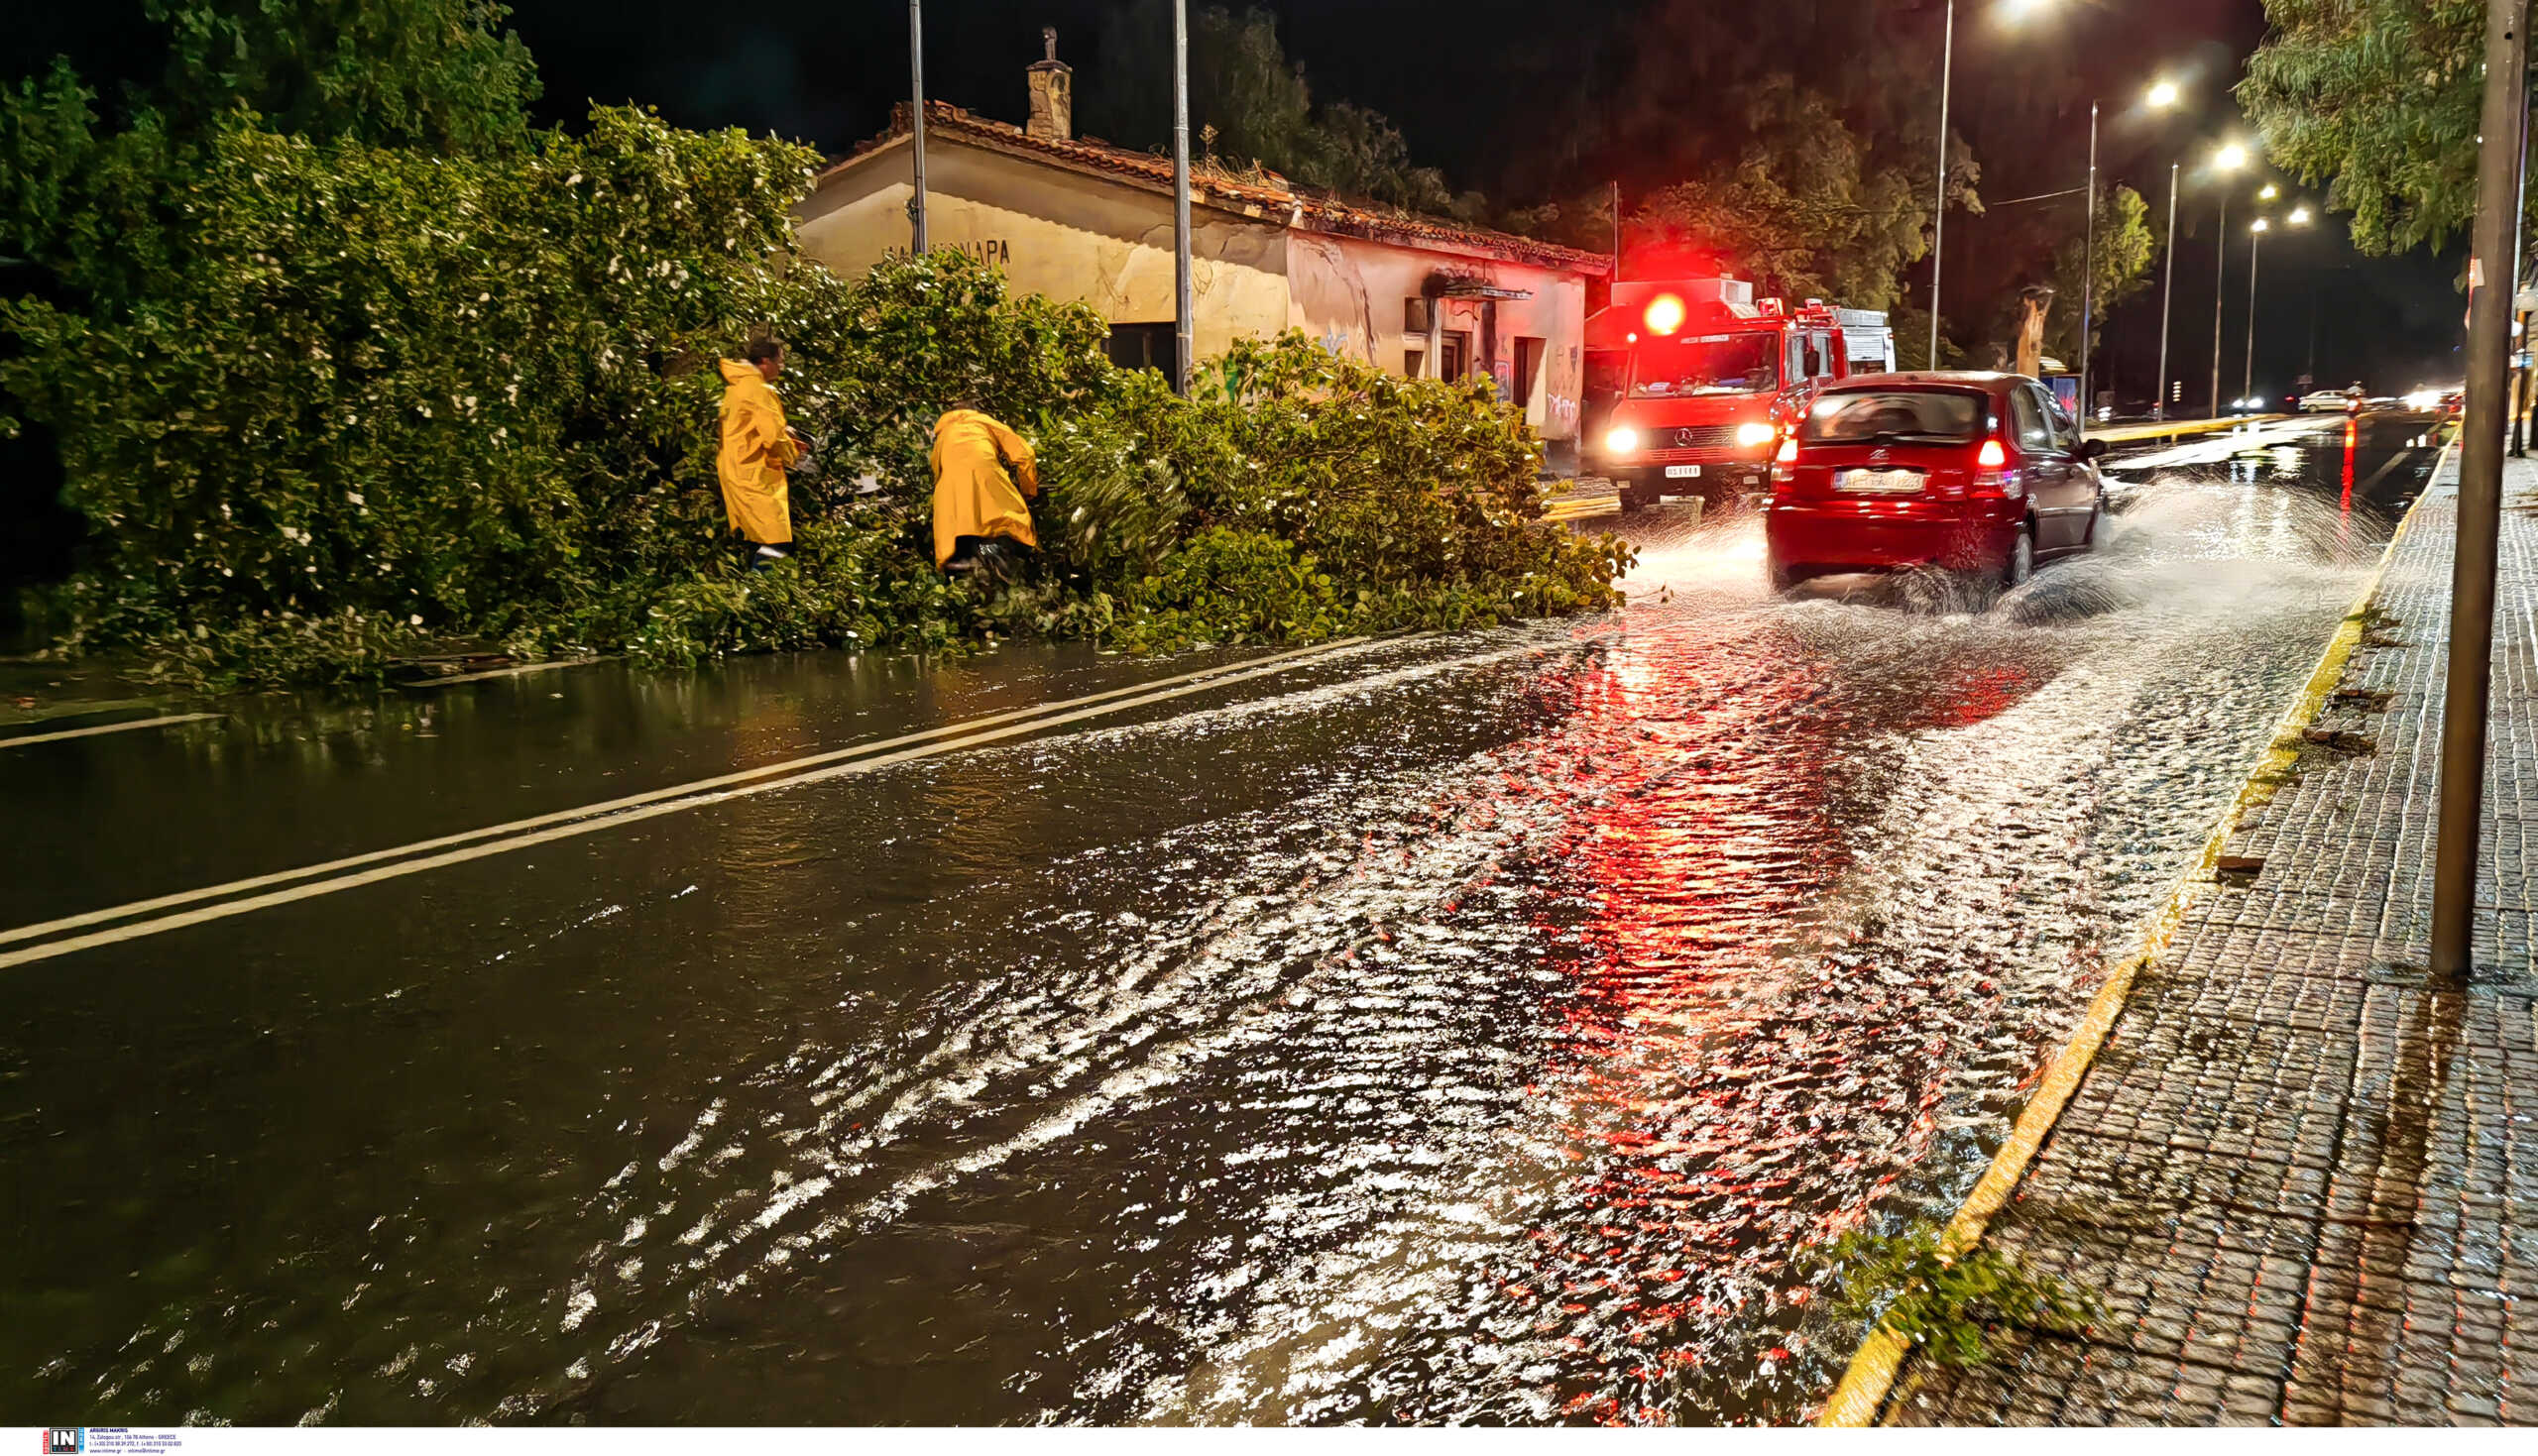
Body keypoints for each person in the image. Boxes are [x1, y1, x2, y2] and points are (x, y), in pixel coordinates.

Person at [717, 340, 807, 571]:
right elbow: (773, 438)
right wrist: (795, 457)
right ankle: (758, 595)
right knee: (776, 540)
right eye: (780, 361)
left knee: (763, 538)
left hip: (737, 470)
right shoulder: (759, 390)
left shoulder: (736, 387)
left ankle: (754, 591)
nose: (782, 367)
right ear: (766, 362)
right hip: (756, 474)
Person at [930, 402, 1039, 575]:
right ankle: (997, 551)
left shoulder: (942, 436)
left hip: (949, 497)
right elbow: (1025, 454)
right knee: (1016, 532)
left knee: (955, 551)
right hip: (987, 478)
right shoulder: (984, 422)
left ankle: (968, 568)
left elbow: (936, 471)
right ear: (975, 411)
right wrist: (1029, 490)